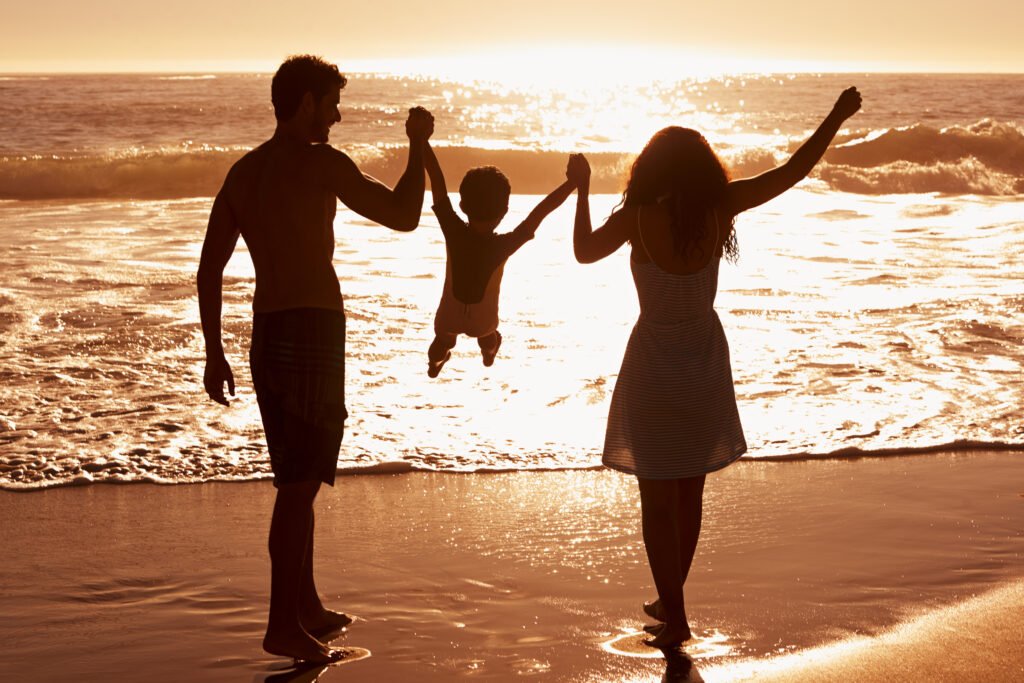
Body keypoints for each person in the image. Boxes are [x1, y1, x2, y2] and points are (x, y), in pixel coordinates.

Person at [569, 87, 862, 648]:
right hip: (703, 364)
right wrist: (835, 116)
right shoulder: (719, 206)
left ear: (650, 170)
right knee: (690, 494)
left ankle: (674, 615)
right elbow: (793, 170)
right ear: (702, 168)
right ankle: (671, 603)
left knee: (656, 501)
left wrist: (581, 188)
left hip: (653, 366)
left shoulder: (636, 217)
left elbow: (583, 250)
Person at [197, 55, 434, 663]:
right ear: (303, 102)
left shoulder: (244, 173)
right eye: (330, 102)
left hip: (267, 334)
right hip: (313, 332)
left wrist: (215, 352)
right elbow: (405, 215)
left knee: (296, 479)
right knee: (298, 487)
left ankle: (304, 605)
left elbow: (209, 269)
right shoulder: (322, 163)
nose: (336, 114)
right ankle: (282, 625)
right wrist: (417, 148)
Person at [422, 142, 575, 377]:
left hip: (448, 314)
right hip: (483, 321)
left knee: (442, 340)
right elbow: (542, 210)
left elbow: (436, 176)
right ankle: (489, 352)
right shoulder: (503, 245)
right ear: (504, 210)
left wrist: (421, 139)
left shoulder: (453, 231)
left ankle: (434, 365)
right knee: (488, 334)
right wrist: (571, 183)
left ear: (462, 205)